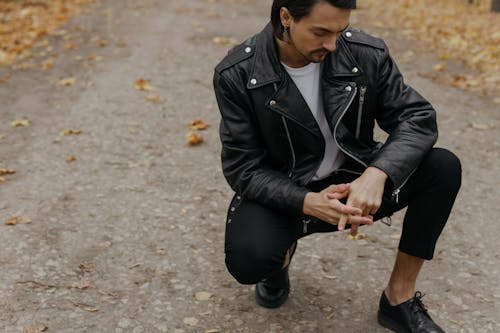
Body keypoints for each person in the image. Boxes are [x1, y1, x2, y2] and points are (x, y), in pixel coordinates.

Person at [212, 0, 461, 332]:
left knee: (442, 167)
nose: (332, 44)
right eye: (321, 32)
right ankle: (280, 259)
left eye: (340, 31)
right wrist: (308, 202)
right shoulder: (238, 73)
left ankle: (398, 299)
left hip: (354, 182)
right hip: (289, 189)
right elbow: (243, 168)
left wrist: (378, 173)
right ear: (286, 17)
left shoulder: (364, 52)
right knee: (250, 259)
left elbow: (417, 118)